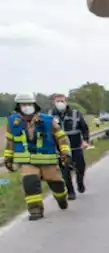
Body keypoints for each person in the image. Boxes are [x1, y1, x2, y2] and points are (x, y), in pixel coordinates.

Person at [5, 92, 70, 220]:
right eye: (24, 104)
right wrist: (8, 157)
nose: (27, 107)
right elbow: (10, 141)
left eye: (29, 104)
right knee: (30, 182)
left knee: (56, 184)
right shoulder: (13, 122)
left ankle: (62, 199)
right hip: (27, 161)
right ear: (19, 107)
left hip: (48, 160)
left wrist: (65, 152)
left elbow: (61, 137)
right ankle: (35, 210)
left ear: (34, 105)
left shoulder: (48, 121)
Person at [49, 93, 90, 199]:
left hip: (76, 146)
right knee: (65, 171)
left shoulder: (76, 114)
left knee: (80, 168)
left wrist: (85, 141)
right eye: (57, 101)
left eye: (62, 101)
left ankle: (80, 182)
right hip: (61, 149)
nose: (60, 103)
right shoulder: (50, 116)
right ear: (54, 102)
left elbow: (84, 129)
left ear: (66, 101)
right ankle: (70, 192)